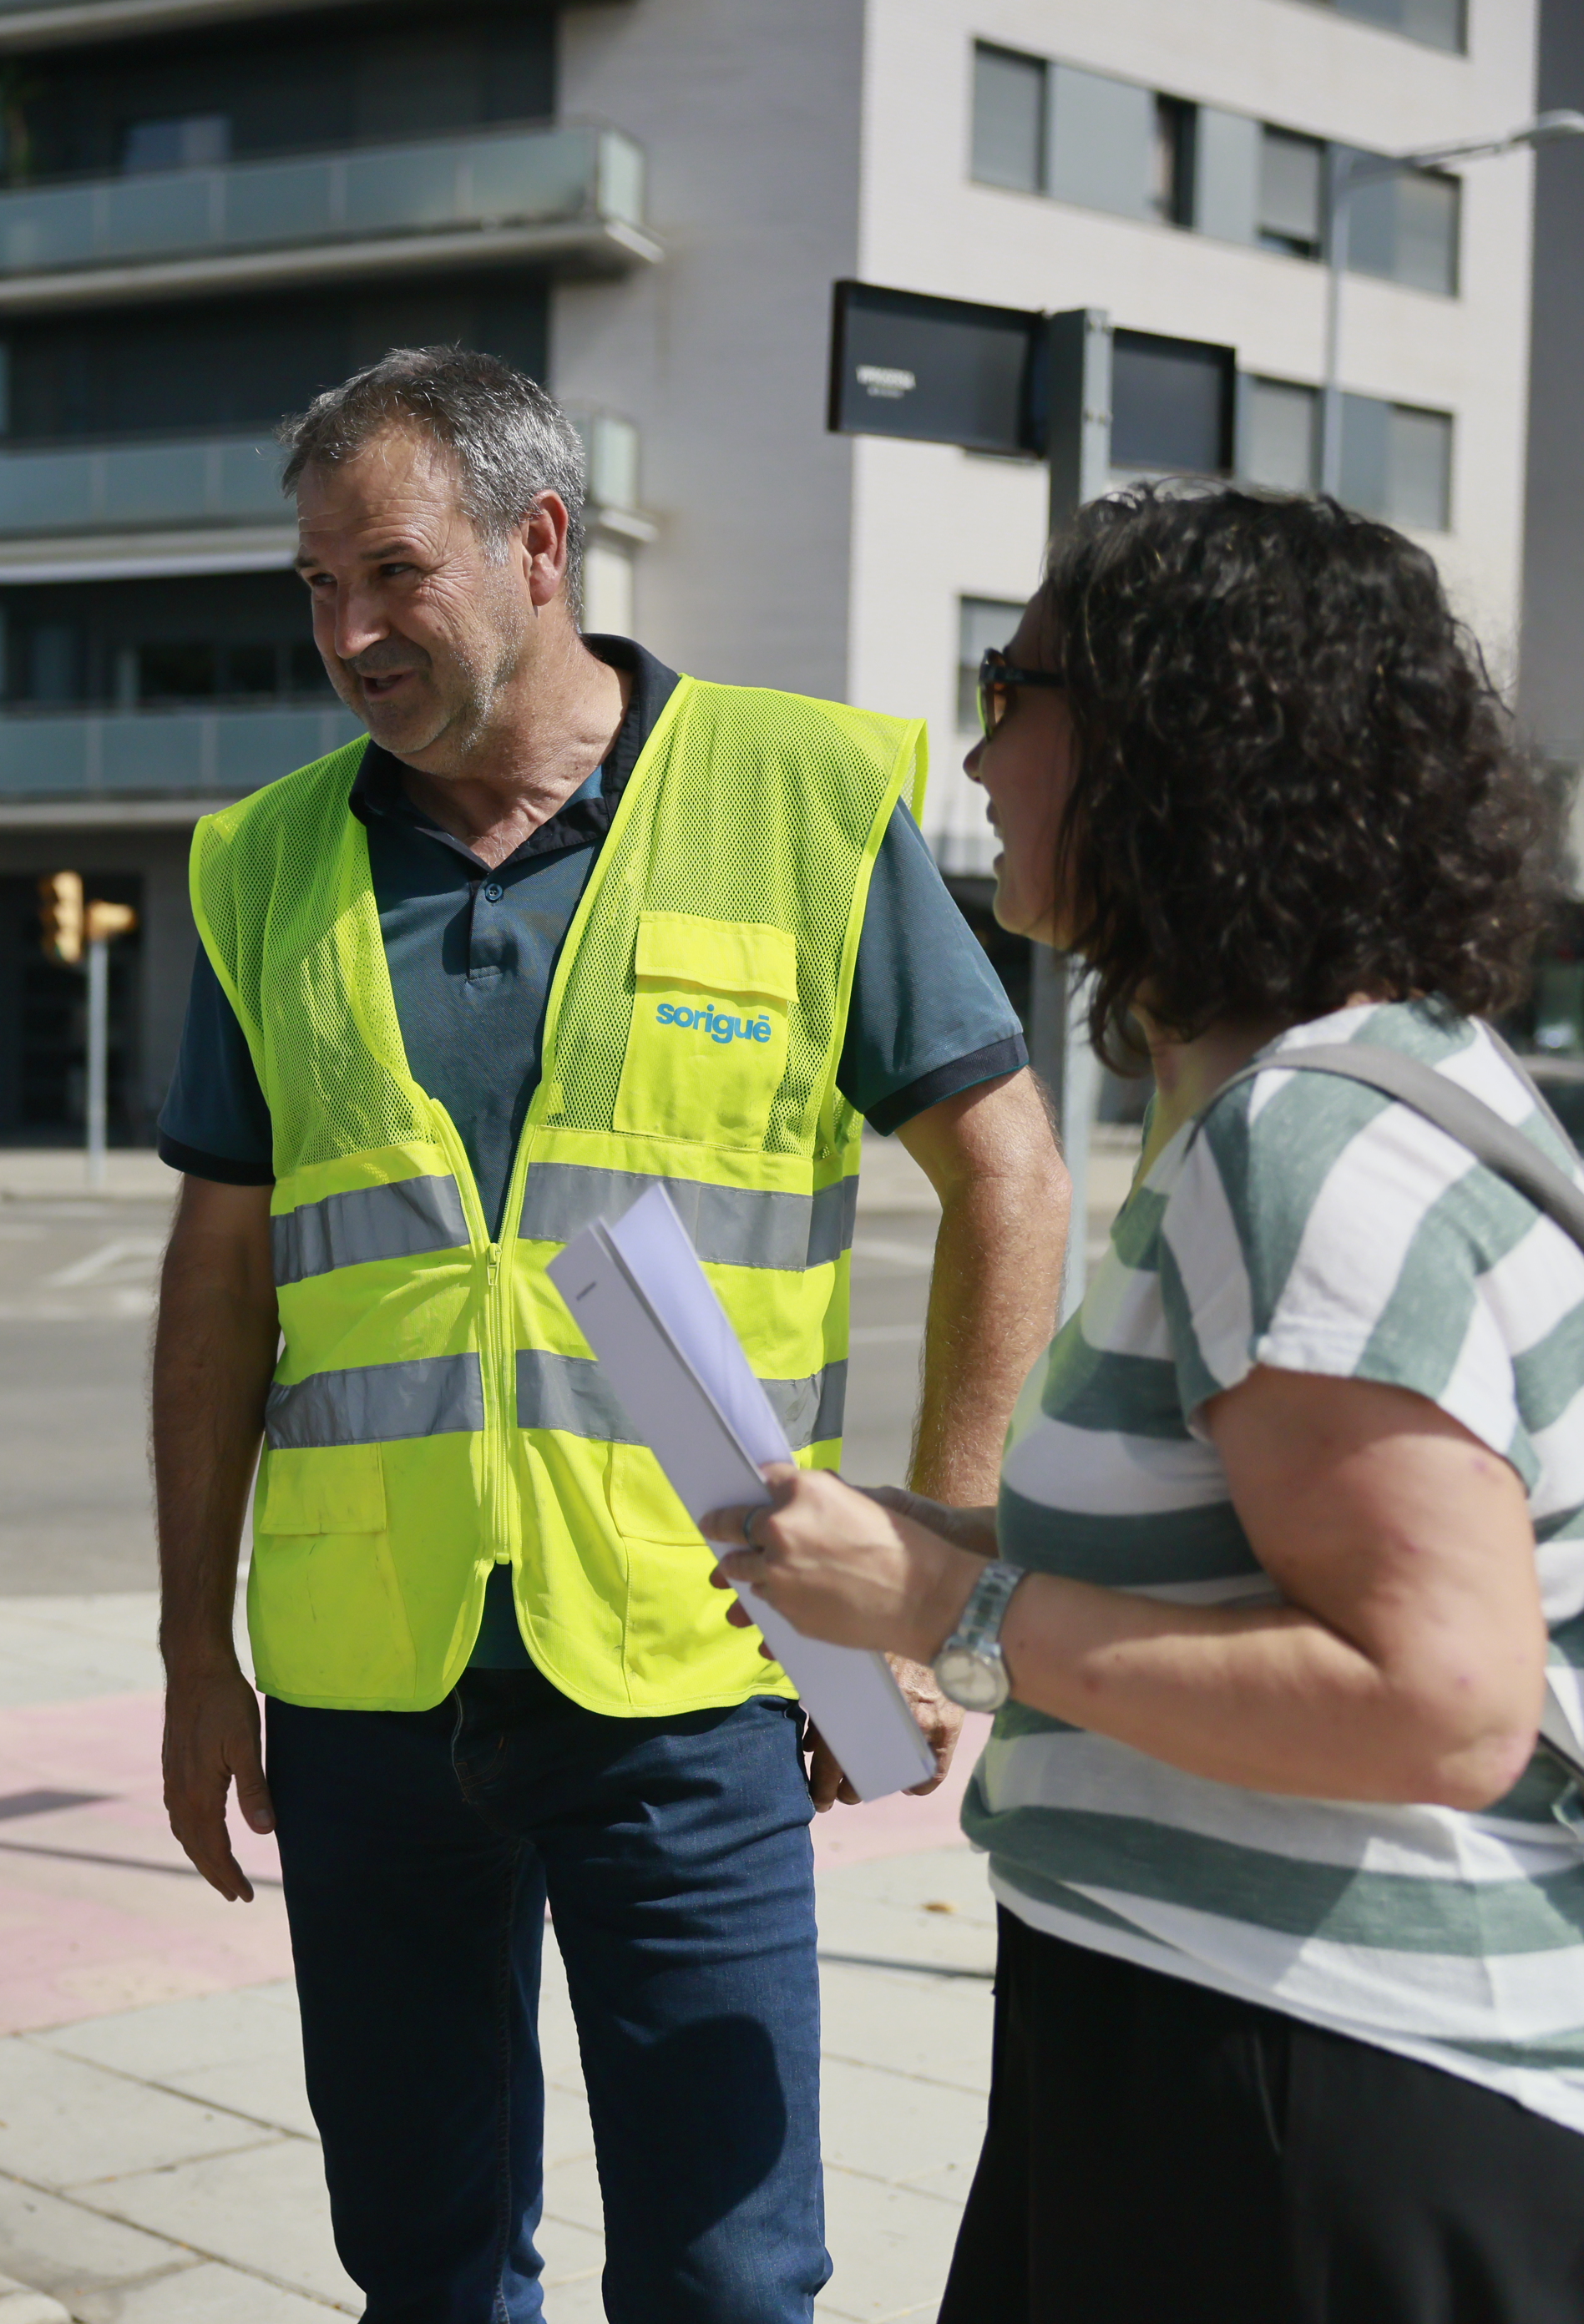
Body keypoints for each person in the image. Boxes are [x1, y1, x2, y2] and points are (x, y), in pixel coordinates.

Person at [150, 347, 1072, 2322]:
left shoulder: (798, 799)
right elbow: (218, 1287)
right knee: (422, 2269)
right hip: (365, 1680)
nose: (348, 632)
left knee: (731, 2277)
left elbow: (1011, 1178)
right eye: (316, 585)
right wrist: (189, 1654)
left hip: (698, 1663)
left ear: (540, 543)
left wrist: (929, 1586)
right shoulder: (263, 864)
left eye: (392, 572)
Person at [706, 482, 1584, 2323]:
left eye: (1009, 690)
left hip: (1307, 2088)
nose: (975, 753)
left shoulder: (1308, 1147)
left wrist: (952, 1606)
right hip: (1227, 2046)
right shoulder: (1332, 1094)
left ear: (1169, 742)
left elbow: (1440, 1702)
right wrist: (940, 1540)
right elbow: (1250, 1560)